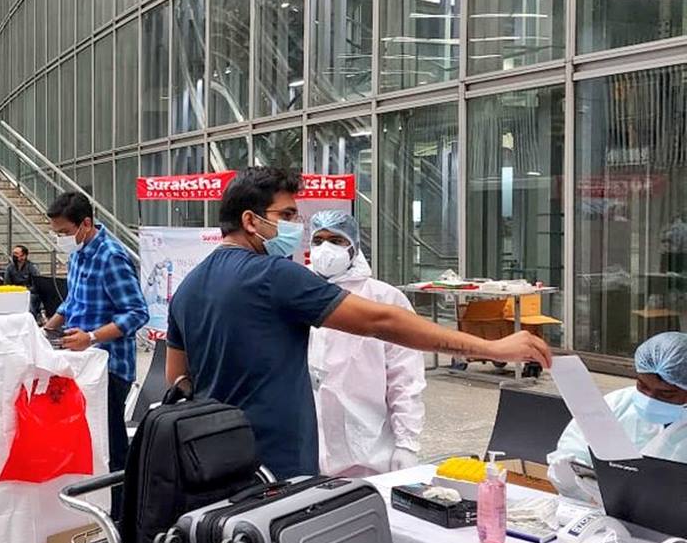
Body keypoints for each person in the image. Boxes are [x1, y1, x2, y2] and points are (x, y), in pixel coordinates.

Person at [165, 168, 551, 480]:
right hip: (275, 471)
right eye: (286, 216)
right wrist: (489, 348)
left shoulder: (189, 287)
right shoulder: (271, 275)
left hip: (216, 463)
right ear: (250, 221)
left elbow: (176, 377)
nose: (294, 228)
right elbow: (381, 321)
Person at [306, 210, 426, 477]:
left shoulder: (383, 298)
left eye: (336, 240)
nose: (325, 248)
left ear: (354, 246)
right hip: (305, 448)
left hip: (368, 451)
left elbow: (405, 377)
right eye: (318, 240)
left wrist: (407, 443)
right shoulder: (296, 292)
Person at [42, 191, 149, 483]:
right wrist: (46, 330)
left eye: (64, 232)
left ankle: (120, 514)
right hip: (82, 366)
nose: (60, 238)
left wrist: (91, 337)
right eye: (56, 233)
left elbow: (137, 313)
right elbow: (73, 302)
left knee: (111, 451)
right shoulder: (77, 254)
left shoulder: (111, 257)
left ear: (85, 224)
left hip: (110, 369)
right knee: (87, 445)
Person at [548, 332, 687, 502]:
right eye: (642, 386)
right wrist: (571, 476)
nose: (650, 399)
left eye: (666, 394)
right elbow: (573, 449)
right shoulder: (618, 403)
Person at [4, 245, 43, 321]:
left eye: (16, 253)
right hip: (14, 292)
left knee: (31, 301)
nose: (14, 256)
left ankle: (32, 319)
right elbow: (7, 283)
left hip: (29, 292)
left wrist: (25, 290)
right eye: (13, 254)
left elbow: (37, 285)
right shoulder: (9, 268)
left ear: (24, 256)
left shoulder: (32, 267)